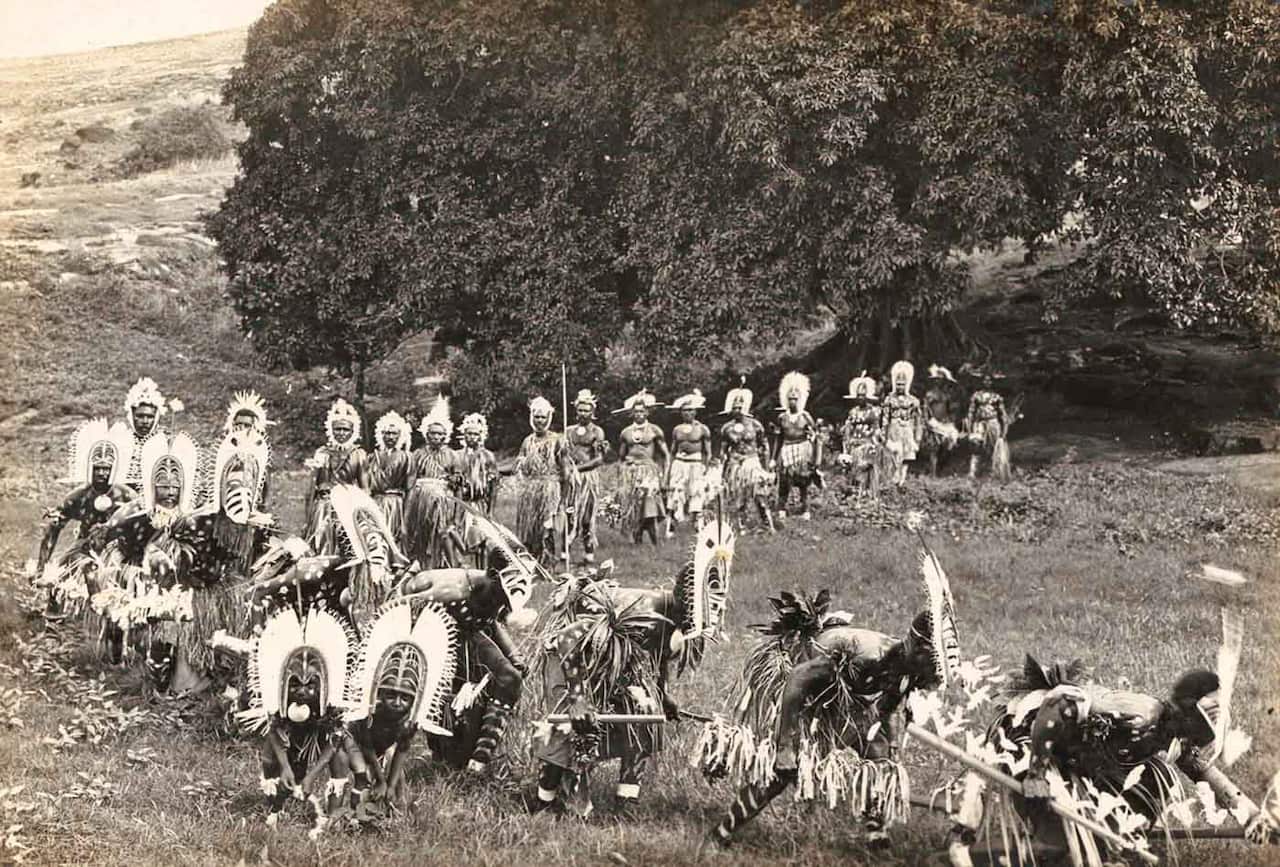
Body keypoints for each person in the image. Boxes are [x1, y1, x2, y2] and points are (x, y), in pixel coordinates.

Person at [700, 542, 960, 849]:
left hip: (845, 695)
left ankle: (876, 835)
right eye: (933, 665)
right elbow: (797, 682)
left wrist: (881, 745)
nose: (936, 676)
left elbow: (882, 711)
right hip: (802, 685)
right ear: (916, 649)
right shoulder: (863, 654)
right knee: (783, 770)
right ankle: (720, 835)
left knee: (879, 759)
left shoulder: (910, 671)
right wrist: (785, 746)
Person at [945, 658, 1271, 867]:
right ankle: (962, 857)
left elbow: (1204, 772)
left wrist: (1253, 818)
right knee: (1065, 852)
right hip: (1032, 741)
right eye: (1197, 735)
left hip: (1075, 756)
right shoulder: (1137, 717)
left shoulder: (1170, 735)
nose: (1193, 747)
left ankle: (1102, 844)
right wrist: (1037, 773)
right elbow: (1058, 702)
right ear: (1187, 719)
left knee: (1147, 791)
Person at [529, 517, 735, 816]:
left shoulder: (674, 622)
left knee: (645, 717)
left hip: (610, 664)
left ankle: (626, 802)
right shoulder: (644, 611)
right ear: (683, 601)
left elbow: (654, 659)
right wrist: (577, 699)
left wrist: (662, 696)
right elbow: (569, 637)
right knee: (571, 728)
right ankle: (543, 802)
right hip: (571, 657)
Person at [391, 509, 542, 776]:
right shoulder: (450, 590)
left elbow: (491, 621)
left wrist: (514, 656)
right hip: (431, 640)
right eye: (503, 596)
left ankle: (479, 760)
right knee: (446, 697)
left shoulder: (492, 591)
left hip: (468, 635)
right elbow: (399, 609)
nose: (504, 604)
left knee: (510, 678)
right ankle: (439, 750)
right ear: (494, 576)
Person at [148, 428, 274, 688]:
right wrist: (180, 576)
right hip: (194, 592)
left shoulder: (253, 525)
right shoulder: (198, 522)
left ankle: (232, 671)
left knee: (246, 610)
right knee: (189, 678)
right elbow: (162, 547)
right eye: (233, 485)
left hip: (229, 589)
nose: (240, 493)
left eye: (248, 486)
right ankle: (190, 667)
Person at [89, 432, 200, 692]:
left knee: (168, 619)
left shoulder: (188, 517)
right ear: (152, 486)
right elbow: (109, 536)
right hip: (132, 569)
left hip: (173, 579)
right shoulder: (134, 514)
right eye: (163, 486)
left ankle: (161, 669)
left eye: (175, 487)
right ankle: (118, 651)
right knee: (124, 618)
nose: (170, 493)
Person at [235, 605, 359, 836]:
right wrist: (285, 767)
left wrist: (313, 775)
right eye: (295, 684)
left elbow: (335, 740)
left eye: (309, 685)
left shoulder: (330, 703)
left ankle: (332, 814)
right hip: (292, 738)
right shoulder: (279, 699)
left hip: (322, 740)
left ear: (320, 684)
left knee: (340, 757)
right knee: (269, 756)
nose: (302, 691)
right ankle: (274, 806)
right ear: (284, 682)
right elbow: (274, 730)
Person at [344, 598, 459, 817]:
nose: (397, 703)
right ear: (379, 693)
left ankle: (394, 813)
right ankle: (355, 816)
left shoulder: (410, 719)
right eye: (391, 695)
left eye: (405, 698)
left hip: (384, 745)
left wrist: (390, 782)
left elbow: (402, 749)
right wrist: (379, 779)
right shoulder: (370, 713)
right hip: (356, 742)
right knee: (365, 779)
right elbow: (367, 746)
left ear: (415, 698)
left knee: (396, 784)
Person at [31, 419, 136, 621]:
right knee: (64, 576)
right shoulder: (79, 495)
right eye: (98, 468)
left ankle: (119, 619)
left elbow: (142, 519)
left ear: (115, 468)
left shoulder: (126, 495)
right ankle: (55, 621)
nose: (102, 473)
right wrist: (41, 568)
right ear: (90, 467)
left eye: (107, 468)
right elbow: (53, 530)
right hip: (86, 547)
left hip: (120, 548)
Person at [404, 398, 466, 568]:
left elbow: (459, 486)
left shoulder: (453, 455)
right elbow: (411, 482)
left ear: (446, 435)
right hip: (420, 501)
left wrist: (458, 515)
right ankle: (423, 567)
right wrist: (407, 512)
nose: (437, 437)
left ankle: (447, 567)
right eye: (433, 433)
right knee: (421, 534)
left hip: (442, 502)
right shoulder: (417, 454)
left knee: (442, 533)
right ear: (426, 434)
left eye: (440, 433)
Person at [512, 396, 573, 564]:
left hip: (550, 489)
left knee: (548, 528)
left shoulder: (557, 440)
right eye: (536, 416)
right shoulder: (527, 441)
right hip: (531, 491)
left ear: (549, 418)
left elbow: (566, 472)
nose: (539, 420)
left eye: (543, 417)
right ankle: (532, 562)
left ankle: (548, 563)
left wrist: (563, 499)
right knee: (530, 530)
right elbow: (519, 465)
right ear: (531, 417)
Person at [304, 399, 370, 554]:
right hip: (324, 505)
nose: (341, 433)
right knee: (320, 542)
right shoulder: (322, 453)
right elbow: (312, 488)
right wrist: (308, 516)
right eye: (338, 429)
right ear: (331, 430)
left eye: (345, 429)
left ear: (353, 431)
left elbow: (365, 487)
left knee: (346, 545)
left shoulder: (358, 454)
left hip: (347, 505)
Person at [614, 389, 670, 547]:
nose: (639, 414)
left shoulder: (654, 430)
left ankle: (655, 542)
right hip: (630, 472)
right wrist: (620, 480)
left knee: (650, 506)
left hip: (648, 472)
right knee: (634, 507)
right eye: (636, 411)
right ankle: (637, 540)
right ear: (632, 413)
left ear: (647, 412)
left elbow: (665, 455)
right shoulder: (626, 433)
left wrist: (664, 477)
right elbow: (621, 457)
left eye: (642, 411)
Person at [718, 380, 775, 533]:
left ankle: (767, 523)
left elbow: (765, 445)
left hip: (752, 462)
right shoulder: (727, 428)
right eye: (734, 407)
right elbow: (723, 450)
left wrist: (767, 465)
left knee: (759, 494)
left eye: (739, 407)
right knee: (739, 496)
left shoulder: (755, 425)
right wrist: (721, 469)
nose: (737, 410)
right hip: (735, 463)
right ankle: (741, 526)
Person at [564, 391, 607, 563]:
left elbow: (599, 459)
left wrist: (579, 469)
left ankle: (589, 553)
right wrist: (566, 466)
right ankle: (564, 551)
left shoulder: (597, 432)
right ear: (576, 411)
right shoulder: (568, 431)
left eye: (586, 410)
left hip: (587, 478)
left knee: (587, 516)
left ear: (592, 412)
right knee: (569, 513)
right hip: (571, 478)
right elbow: (563, 454)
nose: (583, 413)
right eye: (580, 410)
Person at [773, 371, 821, 522]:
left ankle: (805, 509)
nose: (792, 401)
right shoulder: (782, 418)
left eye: (795, 399)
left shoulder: (805, 416)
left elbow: (815, 437)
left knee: (803, 482)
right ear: (786, 400)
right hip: (786, 450)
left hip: (802, 450)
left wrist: (815, 458)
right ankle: (781, 508)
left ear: (800, 399)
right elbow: (778, 438)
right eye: (790, 399)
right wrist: (773, 458)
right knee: (784, 481)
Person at [665, 390, 713, 534]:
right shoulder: (677, 430)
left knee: (696, 493)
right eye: (684, 410)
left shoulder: (702, 429)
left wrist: (705, 467)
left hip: (696, 463)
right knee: (676, 493)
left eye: (690, 410)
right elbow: (673, 451)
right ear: (681, 413)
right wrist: (670, 468)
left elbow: (708, 451)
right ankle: (671, 526)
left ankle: (698, 526)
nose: (687, 413)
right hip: (679, 463)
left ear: (695, 412)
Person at [837, 373, 887, 498]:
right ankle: (852, 494)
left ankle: (867, 494)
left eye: (863, 395)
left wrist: (874, 445)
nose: (860, 398)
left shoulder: (873, 411)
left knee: (866, 469)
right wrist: (846, 445)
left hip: (867, 444)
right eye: (858, 395)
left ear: (867, 396)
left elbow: (876, 428)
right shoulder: (853, 412)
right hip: (854, 444)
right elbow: (848, 428)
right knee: (853, 470)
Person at [370, 411, 413, 543]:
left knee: (393, 539)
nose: (390, 437)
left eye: (394, 433)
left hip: (395, 504)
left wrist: (405, 519)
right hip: (375, 503)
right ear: (381, 434)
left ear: (400, 435)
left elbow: (410, 490)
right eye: (387, 433)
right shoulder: (372, 457)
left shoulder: (406, 457)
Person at [122, 377, 169, 492]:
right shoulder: (121, 440)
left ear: (156, 417)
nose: (145, 421)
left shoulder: (165, 442)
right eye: (140, 416)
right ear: (131, 416)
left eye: (150, 417)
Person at [881, 361, 923, 487]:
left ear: (907, 384)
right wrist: (884, 433)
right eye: (898, 384)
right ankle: (892, 478)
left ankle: (902, 479)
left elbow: (918, 420)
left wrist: (917, 436)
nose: (900, 387)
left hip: (907, 430)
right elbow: (885, 418)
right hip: (893, 429)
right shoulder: (889, 399)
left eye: (903, 385)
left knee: (906, 455)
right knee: (893, 454)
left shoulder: (913, 401)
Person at [966, 373, 1011, 482]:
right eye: (985, 380)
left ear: (992, 382)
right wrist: (969, 427)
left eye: (989, 380)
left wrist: (1004, 429)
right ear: (982, 382)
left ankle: (992, 472)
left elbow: (1002, 413)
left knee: (993, 448)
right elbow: (971, 412)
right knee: (976, 447)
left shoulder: (996, 397)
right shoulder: (976, 396)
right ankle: (973, 472)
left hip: (992, 423)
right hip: (979, 424)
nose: (987, 382)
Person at [922, 365, 962, 477]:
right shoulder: (929, 394)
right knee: (933, 449)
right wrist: (927, 421)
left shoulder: (947, 395)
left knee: (949, 446)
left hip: (945, 423)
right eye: (937, 380)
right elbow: (926, 408)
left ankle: (939, 469)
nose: (939, 382)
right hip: (933, 421)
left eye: (941, 380)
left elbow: (950, 409)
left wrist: (951, 417)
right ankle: (933, 474)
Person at [457, 412, 499, 516]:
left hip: (480, 503)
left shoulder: (488, 456)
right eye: (469, 433)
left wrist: (490, 511)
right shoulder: (457, 455)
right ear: (464, 434)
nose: (472, 437)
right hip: (461, 503)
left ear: (481, 436)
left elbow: (493, 487)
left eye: (475, 434)